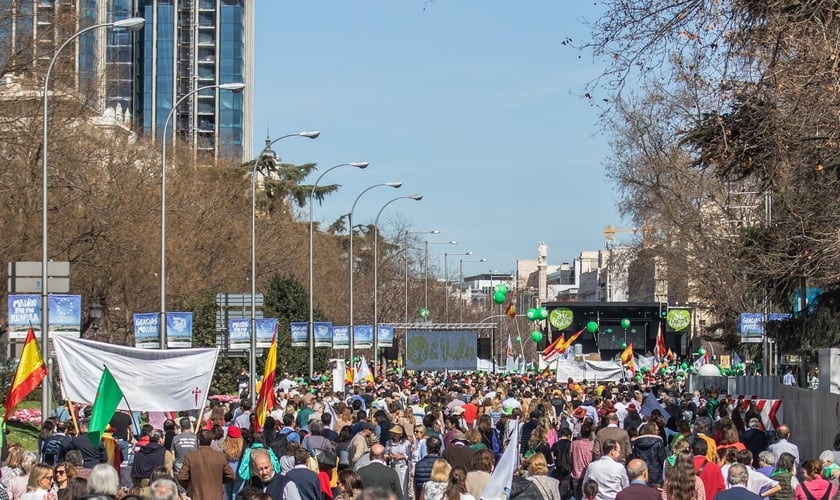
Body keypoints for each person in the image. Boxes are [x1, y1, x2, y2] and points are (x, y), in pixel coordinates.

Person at [177, 428, 234, 499]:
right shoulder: (220, 457)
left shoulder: (190, 457)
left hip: (196, 495)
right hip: (215, 496)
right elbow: (231, 475)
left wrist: (190, 486)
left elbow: (181, 477)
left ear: (198, 441)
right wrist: (218, 481)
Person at [630, 423, 666, 487]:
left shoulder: (636, 443)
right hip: (656, 476)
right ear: (653, 431)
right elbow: (663, 460)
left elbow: (634, 458)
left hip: (641, 474)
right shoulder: (658, 442)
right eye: (657, 430)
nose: (659, 432)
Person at [385, 425, 411, 499]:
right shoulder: (388, 442)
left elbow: (410, 456)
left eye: (396, 433)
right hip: (392, 466)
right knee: (392, 488)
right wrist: (389, 456)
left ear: (401, 434)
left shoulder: (406, 443)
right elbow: (386, 455)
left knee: (403, 488)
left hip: (402, 467)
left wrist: (402, 456)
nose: (394, 435)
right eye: (393, 433)